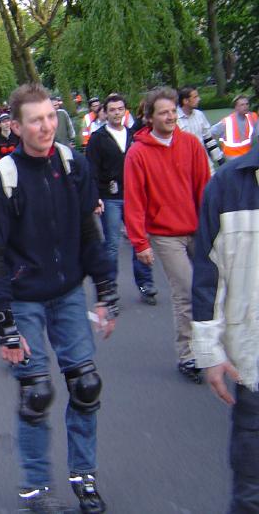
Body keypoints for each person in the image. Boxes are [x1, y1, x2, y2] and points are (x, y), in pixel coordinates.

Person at [0, 83, 118, 513]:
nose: (46, 126)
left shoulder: (73, 165)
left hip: (68, 292)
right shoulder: (2, 180)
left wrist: (106, 289)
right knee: (36, 393)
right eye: (36, 120)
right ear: (16, 127)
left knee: (86, 386)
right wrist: (3, 322)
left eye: (51, 117)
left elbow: (89, 231)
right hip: (24, 299)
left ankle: (84, 476)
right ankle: (36, 488)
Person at [124, 86, 211, 383]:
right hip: (165, 234)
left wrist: (211, 227)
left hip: (197, 228)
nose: (171, 116)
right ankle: (188, 355)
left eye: (173, 111)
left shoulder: (191, 144)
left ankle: (211, 346)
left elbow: (204, 187)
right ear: (149, 117)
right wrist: (140, 243)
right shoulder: (137, 154)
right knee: (185, 291)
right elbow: (135, 201)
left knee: (211, 288)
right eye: (164, 113)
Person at [192, 142, 259, 514]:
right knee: (251, 490)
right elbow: (208, 274)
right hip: (254, 364)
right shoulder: (228, 185)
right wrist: (210, 351)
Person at [85, 93, 158, 305]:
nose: (116, 113)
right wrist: (95, 197)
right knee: (112, 244)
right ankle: (110, 288)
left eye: (120, 109)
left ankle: (146, 284)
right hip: (111, 197)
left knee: (140, 240)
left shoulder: (135, 135)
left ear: (125, 111)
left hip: (135, 197)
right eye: (112, 110)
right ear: (105, 113)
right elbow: (91, 170)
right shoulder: (98, 138)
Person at [177, 86, 224, 173]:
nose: (199, 99)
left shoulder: (199, 115)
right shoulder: (174, 119)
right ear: (185, 101)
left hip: (204, 162)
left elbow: (209, 139)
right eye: (195, 97)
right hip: (185, 165)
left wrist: (220, 159)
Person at [211, 95, 258, 162]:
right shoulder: (227, 121)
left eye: (247, 104)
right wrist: (216, 152)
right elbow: (210, 133)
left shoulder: (252, 117)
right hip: (232, 157)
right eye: (242, 105)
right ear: (236, 107)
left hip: (247, 154)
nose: (245, 106)